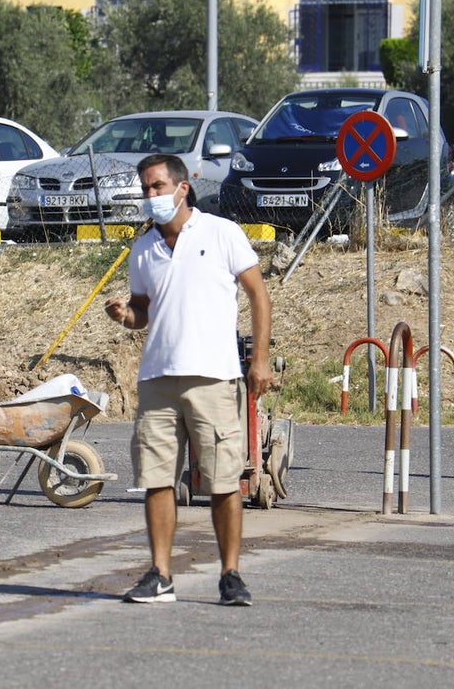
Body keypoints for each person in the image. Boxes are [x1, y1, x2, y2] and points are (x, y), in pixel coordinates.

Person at [104, 153, 273, 607]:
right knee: (157, 479)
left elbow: (259, 294)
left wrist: (260, 361)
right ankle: (160, 575)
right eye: (144, 189)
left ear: (182, 188)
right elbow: (144, 309)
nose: (150, 196)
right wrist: (126, 315)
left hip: (214, 377)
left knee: (221, 481)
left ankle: (230, 575)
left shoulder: (222, 233)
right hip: (157, 379)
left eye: (157, 186)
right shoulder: (143, 249)